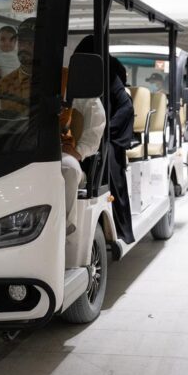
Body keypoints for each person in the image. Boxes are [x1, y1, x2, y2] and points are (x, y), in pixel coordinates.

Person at [0, 19, 105, 235]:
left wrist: (80, 151)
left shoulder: (67, 78)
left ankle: (62, 233)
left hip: (57, 150)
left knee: (69, 169)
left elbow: (96, 117)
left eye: (32, 43)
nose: (26, 47)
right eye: (23, 42)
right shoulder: (4, 84)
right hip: (12, 149)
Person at [74, 36, 135, 243]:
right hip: (82, 130)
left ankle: (120, 229)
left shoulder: (110, 73)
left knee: (108, 160)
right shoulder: (77, 75)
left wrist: (105, 131)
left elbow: (125, 107)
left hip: (109, 134)